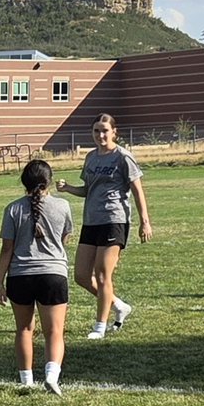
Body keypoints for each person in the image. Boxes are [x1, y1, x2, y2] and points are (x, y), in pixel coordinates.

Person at [56, 112, 152, 339]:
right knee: (81, 275)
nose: (100, 135)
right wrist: (68, 188)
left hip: (114, 220)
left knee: (102, 274)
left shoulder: (122, 157)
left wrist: (144, 221)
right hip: (92, 221)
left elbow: (137, 190)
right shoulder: (91, 158)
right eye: (96, 130)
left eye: (105, 130)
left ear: (114, 132)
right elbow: (87, 189)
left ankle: (100, 326)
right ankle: (119, 305)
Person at [0, 159, 73, 395]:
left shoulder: (12, 209)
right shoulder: (63, 206)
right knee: (55, 331)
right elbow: (64, 238)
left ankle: (26, 380)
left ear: (23, 182)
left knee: (24, 330)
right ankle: (51, 375)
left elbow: (7, 249)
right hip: (53, 275)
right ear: (49, 181)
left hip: (20, 276)